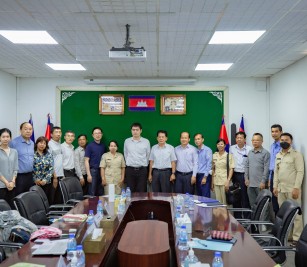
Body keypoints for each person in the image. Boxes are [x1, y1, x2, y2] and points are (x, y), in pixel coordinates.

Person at [273, 133, 304, 247]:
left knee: (296, 215)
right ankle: (288, 235)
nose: (283, 141)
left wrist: (296, 187)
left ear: (291, 141)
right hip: (281, 189)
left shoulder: (296, 155)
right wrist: (275, 186)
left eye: (286, 139)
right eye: (282, 140)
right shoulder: (278, 155)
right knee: (285, 214)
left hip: (292, 189)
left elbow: (300, 172)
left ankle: (297, 238)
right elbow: (276, 172)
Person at [229, 131, 252, 218]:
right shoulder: (232, 148)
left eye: (241, 138)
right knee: (236, 197)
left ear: (244, 139)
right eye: (237, 138)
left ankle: (247, 219)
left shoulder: (249, 149)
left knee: (245, 198)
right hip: (235, 175)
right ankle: (237, 219)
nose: (239, 139)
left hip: (245, 175)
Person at [245, 133, 270, 208]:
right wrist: (246, 179)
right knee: (253, 206)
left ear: (262, 141)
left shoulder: (265, 153)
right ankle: (254, 220)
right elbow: (246, 166)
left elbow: (266, 168)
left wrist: (263, 181)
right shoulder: (250, 152)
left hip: (260, 185)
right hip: (250, 185)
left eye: (257, 140)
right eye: (253, 140)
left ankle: (263, 220)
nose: (255, 142)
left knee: (262, 206)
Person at [124, 122, 150, 193]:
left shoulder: (146, 141)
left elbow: (148, 155)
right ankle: (130, 204)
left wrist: (143, 164)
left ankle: (141, 204)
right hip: (130, 169)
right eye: (133, 130)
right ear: (131, 131)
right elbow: (126, 154)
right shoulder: (127, 141)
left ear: (141, 131)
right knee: (130, 190)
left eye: (137, 130)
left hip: (142, 170)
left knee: (142, 190)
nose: (135, 131)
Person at [9, 122, 34, 195]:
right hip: (19, 176)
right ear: (20, 130)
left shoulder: (32, 143)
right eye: (25, 129)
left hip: (30, 175)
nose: (28, 131)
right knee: (19, 197)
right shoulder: (14, 142)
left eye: (30, 129)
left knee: (29, 197)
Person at [212, 139, 234, 205]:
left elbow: (231, 169)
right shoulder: (214, 155)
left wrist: (228, 181)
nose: (220, 145)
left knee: (225, 202)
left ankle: (226, 215)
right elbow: (213, 169)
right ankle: (219, 215)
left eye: (221, 144)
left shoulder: (229, 156)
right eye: (218, 144)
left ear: (224, 145)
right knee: (218, 202)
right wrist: (212, 183)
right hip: (216, 181)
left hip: (225, 181)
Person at [33, 136, 54, 205]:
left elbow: (51, 168)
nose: (42, 145)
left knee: (47, 200)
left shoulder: (49, 155)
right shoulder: (32, 154)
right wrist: (36, 179)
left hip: (47, 183)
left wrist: (45, 180)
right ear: (36, 144)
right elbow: (31, 169)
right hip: (36, 183)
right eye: (40, 143)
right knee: (37, 201)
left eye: (44, 143)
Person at [0, 128, 18, 208]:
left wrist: (13, 181)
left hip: (12, 185)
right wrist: (6, 183)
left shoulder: (14, 151)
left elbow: (15, 168)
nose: (5, 139)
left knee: (11, 208)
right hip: (1, 186)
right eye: (3, 137)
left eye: (7, 136)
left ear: (10, 138)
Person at [85, 127, 105, 196]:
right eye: (95, 133)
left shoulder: (103, 146)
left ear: (101, 134)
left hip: (102, 171)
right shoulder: (89, 146)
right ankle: (91, 207)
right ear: (93, 135)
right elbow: (86, 161)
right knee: (92, 193)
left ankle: (100, 207)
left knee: (101, 192)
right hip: (93, 171)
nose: (97, 135)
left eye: (99, 133)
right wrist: (88, 175)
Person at [48, 126, 64, 204]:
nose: (58, 134)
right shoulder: (49, 145)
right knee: (52, 197)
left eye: (60, 132)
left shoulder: (59, 144)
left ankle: (58, 214)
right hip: (53, 176)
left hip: (60, 175)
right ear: (51, 134)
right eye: (56, 132)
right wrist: (54, 176)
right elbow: (49, 162)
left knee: (59, 197)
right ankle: (51, 214)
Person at [269, 124, 282, 217]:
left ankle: (283, 228)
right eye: (272, 131)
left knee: (280, 202)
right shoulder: (272, 146)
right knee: (274, 202)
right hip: (273, 175)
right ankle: (278, 227)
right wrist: (270, 178)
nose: (274, 133)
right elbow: (271, 164)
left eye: (276, 131)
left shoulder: (283, 145)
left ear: (281, 132)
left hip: (281, 176)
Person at [194, 133, 212, 198]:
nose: (197, 141)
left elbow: (209, 164)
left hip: (204, 175)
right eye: (195, 139)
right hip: (197, 175)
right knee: (199, 196)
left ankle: (206, 208)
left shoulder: (207, 150)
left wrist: (205, 177)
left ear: (202, 139)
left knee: (205, 196)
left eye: (198, 139)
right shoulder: (195, 150)